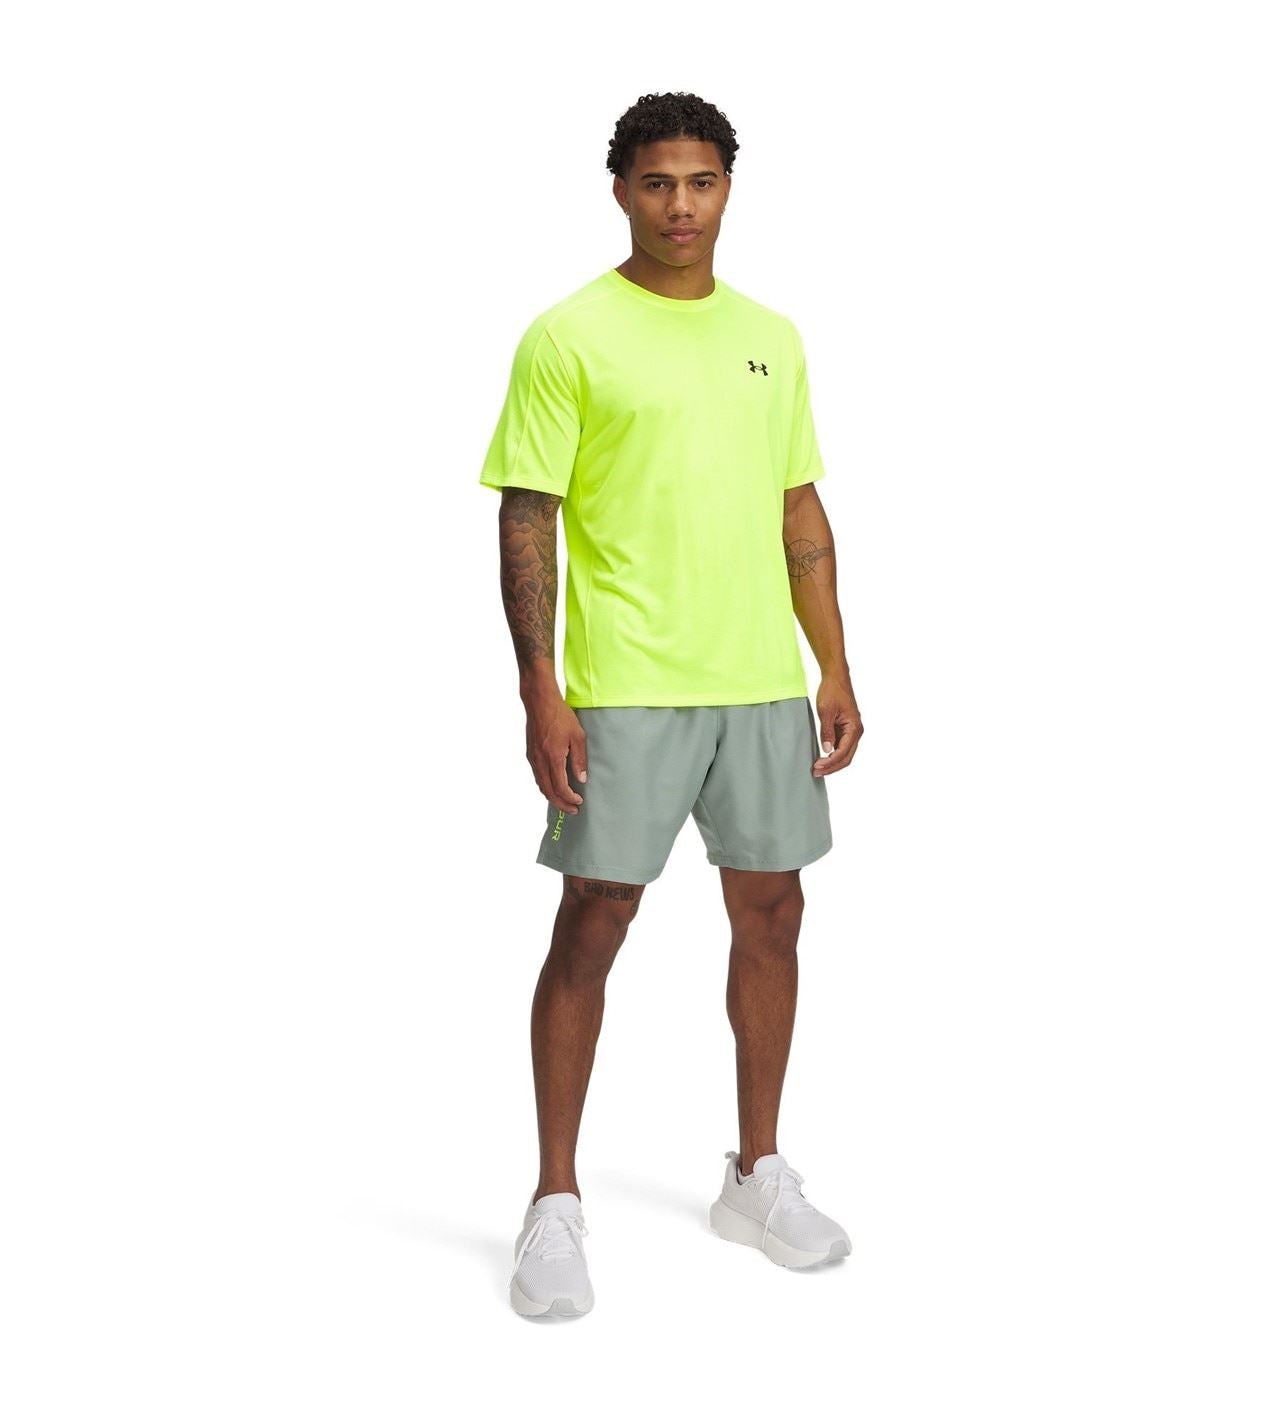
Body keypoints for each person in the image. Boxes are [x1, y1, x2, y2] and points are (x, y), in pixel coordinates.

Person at [480, 92, 864, 1319]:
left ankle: (756, 1175)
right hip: (627, 684)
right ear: (621, 191)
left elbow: (797, 506)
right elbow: (528, 515)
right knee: (594, 922)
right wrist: (541, 688)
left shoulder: (772, 338)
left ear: (728, 189)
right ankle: (554, 1201)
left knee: (774, 916)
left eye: (701, 181)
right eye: (657, 183)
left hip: (759, 681)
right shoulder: (568, 335)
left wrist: (835, 666)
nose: (680, 205)